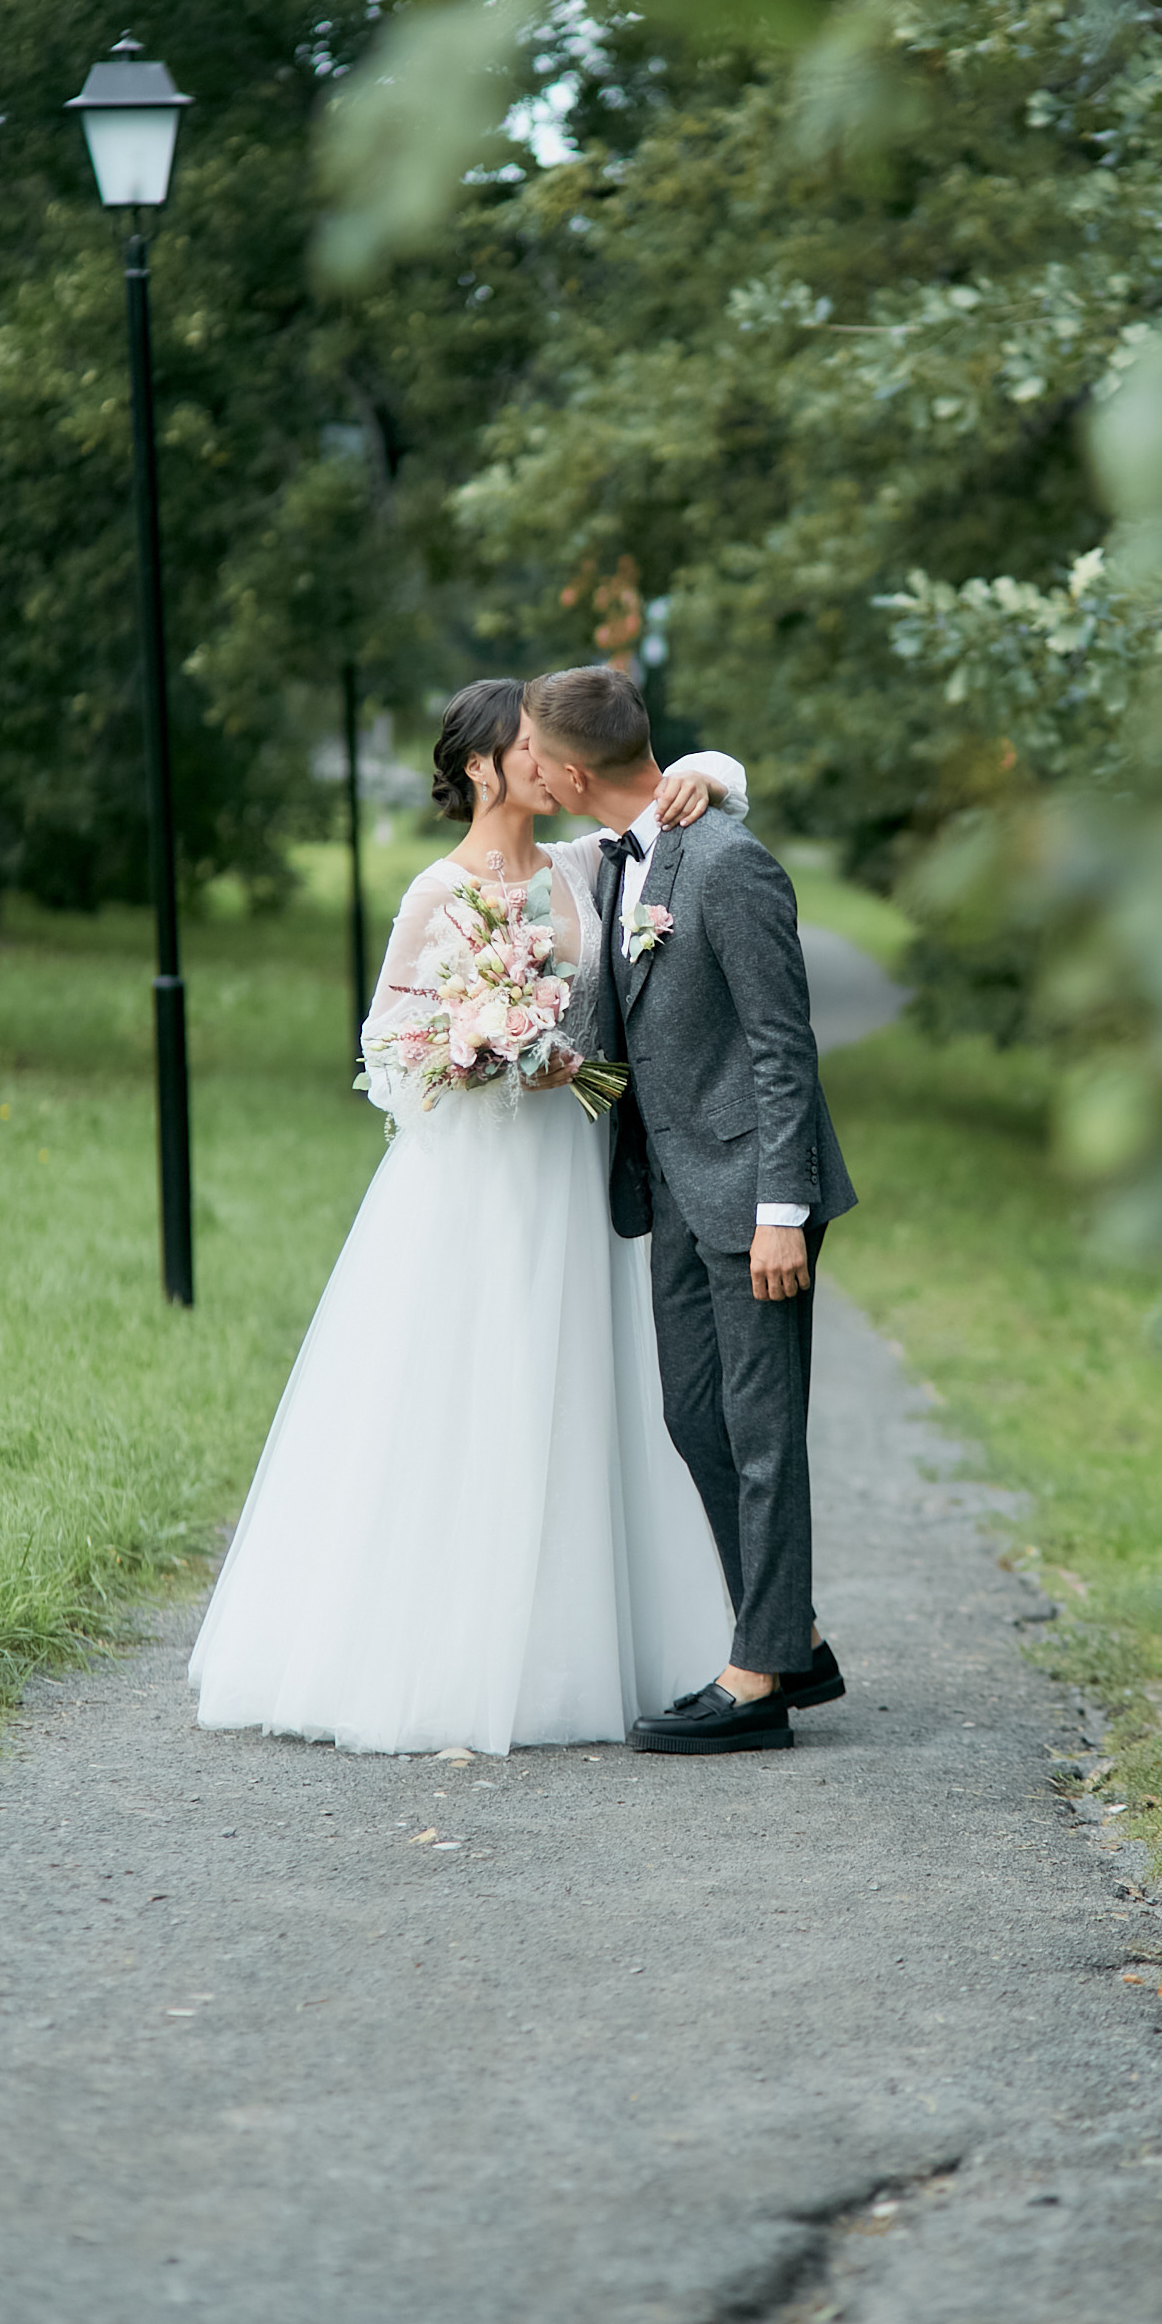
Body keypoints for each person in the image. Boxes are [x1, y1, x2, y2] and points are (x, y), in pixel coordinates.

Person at [187, 679, 746, 1757]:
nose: (542, 761)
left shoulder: (585, 868)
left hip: (574, 1167)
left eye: (545, 745)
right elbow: (383, 1051)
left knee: (583, 1386)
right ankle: (445, 1650)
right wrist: (480, 1051)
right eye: (522, 746)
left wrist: (705, 775)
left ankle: (588, 1646)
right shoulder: (432, 891)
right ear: (482, 766)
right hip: (475, 1180)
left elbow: (704, 777)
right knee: (467, 1392)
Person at [524, 667, 858, 1755]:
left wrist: (780, 1210)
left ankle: (759, 1680)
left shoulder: (726, 864)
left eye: (537, 752)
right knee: (694, 1417)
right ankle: (792, 1635)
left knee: (761, 1432)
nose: (532, 765)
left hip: (753, 1194)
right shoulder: (629, 855)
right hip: (667, 1185)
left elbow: (780, 1047)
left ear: (574, 773)